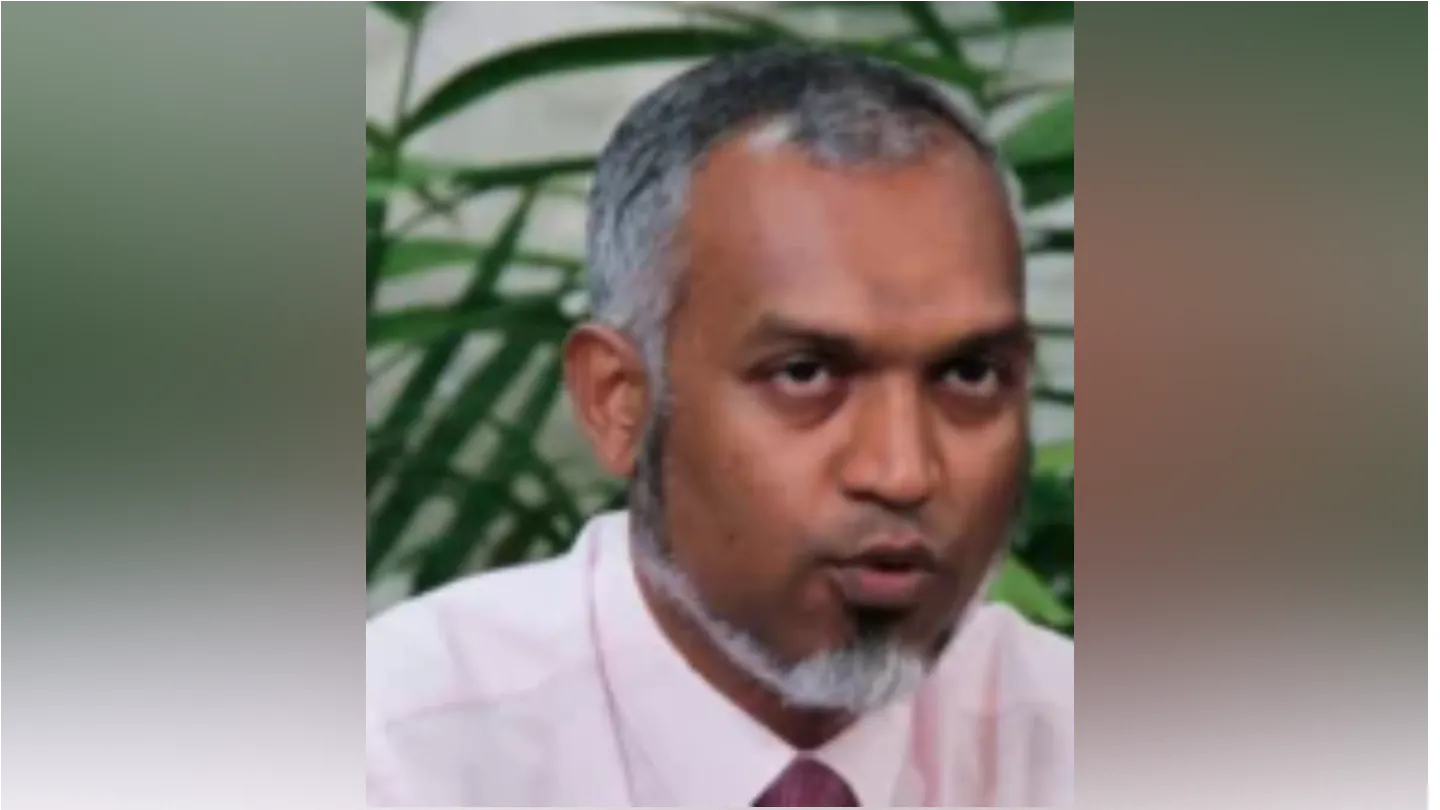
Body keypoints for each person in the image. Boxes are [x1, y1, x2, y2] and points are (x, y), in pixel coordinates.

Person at [367, 45, 1073, 807]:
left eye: (970, 374)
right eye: (804, 374)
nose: (903, 471)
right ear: (618, 400)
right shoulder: (389, 756)